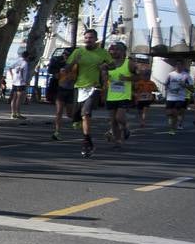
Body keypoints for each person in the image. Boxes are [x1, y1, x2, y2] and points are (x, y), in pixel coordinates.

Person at [65, 29, 113, 157]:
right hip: (79, 87)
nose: (88, 40)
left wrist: (105, 67)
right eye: (86, 38)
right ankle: (88, 139)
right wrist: (75, 62)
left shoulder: (103, 53)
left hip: (94, 87)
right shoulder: (78, 51)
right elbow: (66, 68)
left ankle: (86, 141)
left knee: (86, 113)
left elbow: (113, 65)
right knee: (75, 117)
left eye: (91, 38)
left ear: (95, 39)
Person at [99, 41, 133, 149]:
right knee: (113, 121)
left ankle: (125, 127)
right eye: (112, 49)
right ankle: (118, 141)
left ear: (123, 51)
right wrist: (103, 72)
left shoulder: (129, 63)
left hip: (124, 95)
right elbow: (104, 80)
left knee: (119, 118)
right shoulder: (108, 64)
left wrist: (127, 78)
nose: (114, 51)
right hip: (111, 95)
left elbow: (139, 76)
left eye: (117, 49)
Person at [47, 46, 77, 140]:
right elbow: (54, 74)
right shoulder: (60, 63)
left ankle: (77, 119)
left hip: (71, 90)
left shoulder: (76, 65)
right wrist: (57, 74)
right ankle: (57, 132)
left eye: (67, 55)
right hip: (61, 89)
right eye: (64, 54)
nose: (65, 56)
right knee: (59, 112)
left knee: (69, 114)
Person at [162, 60, 192, 135]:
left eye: (180, 65)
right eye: (177, 65)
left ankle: (172, 129)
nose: (178, 66)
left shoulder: (186, 75)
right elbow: (166, 84)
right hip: (170, 97)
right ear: (175, 66)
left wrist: (184, 85)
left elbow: (192, 87)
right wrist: (167, 87)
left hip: (180, 97)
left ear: (182, 66)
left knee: (175, 113)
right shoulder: (170, 74)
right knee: (169, 114)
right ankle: (172, 125)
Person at [132, 64, 158, 130]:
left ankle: (142, 122)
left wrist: (152, 89)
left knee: (144, 111)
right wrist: (137, 90)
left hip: (147, 99)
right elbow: (134, 88)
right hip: (139, 99)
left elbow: (155, 89)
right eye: (144, 75)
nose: (146, 76)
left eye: (147, 75)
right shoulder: (139, 82)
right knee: (140, 111)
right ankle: (142, 120)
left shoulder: (151, 82)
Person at [7, 53, 31, 120]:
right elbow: (23, 72)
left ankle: (13, 113)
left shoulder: (18, 61)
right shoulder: (25, 63)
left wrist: (12, 76)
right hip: (21, 82)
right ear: (27, 57)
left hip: (15, 81)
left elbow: (10, 68)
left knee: (14, 98)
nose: (29, 59)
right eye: (28, 57)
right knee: (19, 99)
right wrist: (25, 81)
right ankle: (18, 113)